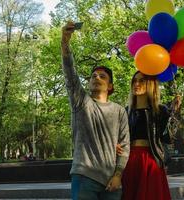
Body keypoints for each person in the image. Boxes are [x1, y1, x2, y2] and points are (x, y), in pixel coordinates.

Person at [61, 21, 130, 200]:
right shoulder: (80, 102)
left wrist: (118, 175)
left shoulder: (119, 111)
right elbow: (70, 73)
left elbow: (125, 145)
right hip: (84, 177)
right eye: (93, 76)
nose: (96, 77)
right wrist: (65, 42)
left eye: (102, 76)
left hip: (111, 182)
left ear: (110, 86)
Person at [119, 71, 181, 200]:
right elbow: (118, 136)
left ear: (151, 84)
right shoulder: (125, 111)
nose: (137, 84)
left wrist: (174, 114)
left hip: (152, 159)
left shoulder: (161, 110)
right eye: (134, 81)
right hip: (130, 159)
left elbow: (167, 138)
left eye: (142, 81)